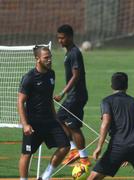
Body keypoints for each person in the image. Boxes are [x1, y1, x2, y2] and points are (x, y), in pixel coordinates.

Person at [18, 46, 70, 180]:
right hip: (33, 124)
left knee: (65, 146)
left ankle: (45, 177)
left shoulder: (51, 74)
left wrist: (56, 117)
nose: (49, 60)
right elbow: (20, 102)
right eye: (46, 58)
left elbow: (48, 98)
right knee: (26, 153)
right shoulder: (28, 78)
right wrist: (25, 124)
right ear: (37, 59)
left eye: (50, 57)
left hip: (50, 121)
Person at [87, 72, 134, 180]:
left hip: (118, 147)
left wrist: (99, 147)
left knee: (93, 177)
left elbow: (106, 122)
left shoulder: (107, 101)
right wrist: (130, 151)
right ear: (126, 86)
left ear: (111, 85)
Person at [54, 24, 90, 166]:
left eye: (62, 38)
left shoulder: (74, 53)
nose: (60, 40)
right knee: (61, 120)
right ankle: (76, 152)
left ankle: (83, 158)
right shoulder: (69, 52)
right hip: (74, 95)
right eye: (58, 38)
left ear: (69, 37)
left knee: (72, 125)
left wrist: (63, 93)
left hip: (76, 95)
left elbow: (76, 75)